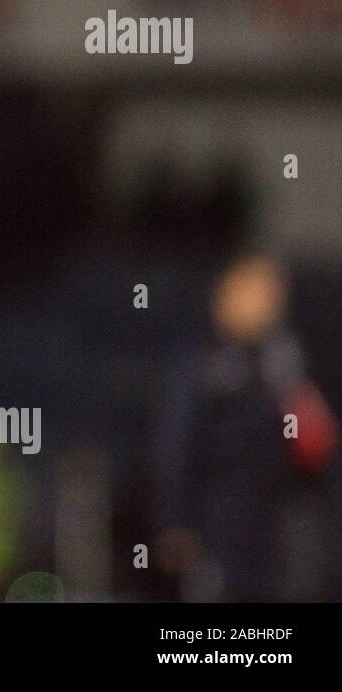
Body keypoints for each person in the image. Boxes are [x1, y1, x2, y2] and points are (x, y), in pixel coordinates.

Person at [154, 252, 337, 601]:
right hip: (223, 528)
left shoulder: (299, 358)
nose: (262, 301)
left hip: (293, 531)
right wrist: (177, 522)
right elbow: (176, 448)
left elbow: (319, 448)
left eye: (269, 291)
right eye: (248, 290)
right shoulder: (202, 367)